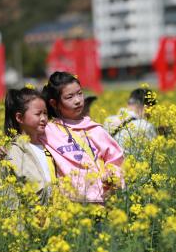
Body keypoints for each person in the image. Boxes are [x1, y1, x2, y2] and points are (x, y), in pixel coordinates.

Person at [40, 71, 124, 204]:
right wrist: (6, 149)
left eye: (80, 93)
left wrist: (112, 175)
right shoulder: (48, 130)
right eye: (69, 97)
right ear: (54, 104)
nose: (78, 101)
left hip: (99, 201)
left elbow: (116, 160)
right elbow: (25, 137)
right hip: (68, 204)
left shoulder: (95, 129)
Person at [0, 87, 57, 208]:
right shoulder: (13, 150)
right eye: (38, 114)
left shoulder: (50, 143)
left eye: (45, 113)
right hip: (32, 216)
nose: (44, 118)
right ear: (19, 118)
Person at [104, 88, 157, 157]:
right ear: (148, 107)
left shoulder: (108, 121)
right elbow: (153, 154)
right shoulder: (147, 126)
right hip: (134, 166)